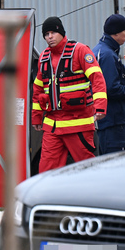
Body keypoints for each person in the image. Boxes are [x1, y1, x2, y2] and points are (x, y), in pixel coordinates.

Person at [31, 16, 107, 172]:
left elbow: (97, 78)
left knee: (88, 169)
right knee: (46, 171)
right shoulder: (44, 58)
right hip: (52, 128)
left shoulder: (80, 51)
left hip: (78, 126)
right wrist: (36, 116)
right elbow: (38, 89)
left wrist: (100, 107)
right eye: (46, 34)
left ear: (61, 32)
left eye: (52, 32)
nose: (49, 37)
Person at [93, 13, 125, 154]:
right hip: (114, 122)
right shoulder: (108, 55)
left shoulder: (100, 50)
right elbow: (110, 89)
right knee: (116, 165)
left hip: (108, 121)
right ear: (115, 32)